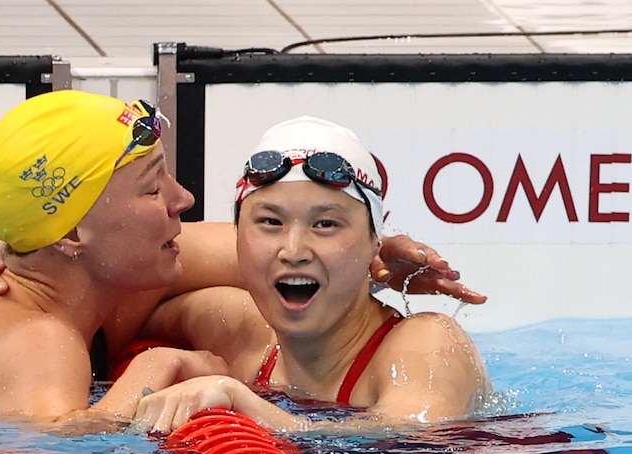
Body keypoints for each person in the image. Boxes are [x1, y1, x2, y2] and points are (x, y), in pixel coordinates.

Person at [0, 90, 231, 429]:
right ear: (72, 235)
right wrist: (157, 364)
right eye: (152, 188)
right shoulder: (36, 339)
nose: (184, 198)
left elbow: (269, 257)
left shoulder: (89, 281)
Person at [132, 116, 492, 433]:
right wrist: (161, 361)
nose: (293, 251)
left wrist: (243, 402)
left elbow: (405, 437)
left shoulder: (426, 342)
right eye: (270, 222)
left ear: (375, 241)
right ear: (237, 235)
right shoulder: (243, 331)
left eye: (325, 224)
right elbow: (128, 312)